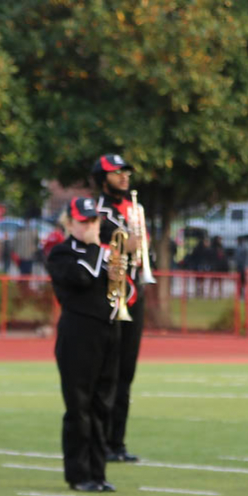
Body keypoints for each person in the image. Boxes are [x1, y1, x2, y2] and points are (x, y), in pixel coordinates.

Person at [46, 197, 122, 493]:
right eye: (83, 221)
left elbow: (117, 292)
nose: (90, 226)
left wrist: (116, 273)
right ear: (70, 223)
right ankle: (79, 475)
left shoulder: (104, 253)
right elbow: (79, 278)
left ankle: (98, 473)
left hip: (107, 333)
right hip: (77, 334)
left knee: (103, 405)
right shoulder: (60, 253)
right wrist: (95, 249)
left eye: (93, 221)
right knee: (79, 407)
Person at [94, 154, 145, 463]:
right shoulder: (98, 212)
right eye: (116, 173)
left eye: (125, 171)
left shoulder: (135, 209)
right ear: (102, 178)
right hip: (110, 297)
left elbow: (140, 248)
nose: (124, 176)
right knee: (108, 372)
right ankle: (103, 441)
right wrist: (130, 242)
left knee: (126, 373)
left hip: (135, 296)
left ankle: (117, 442)